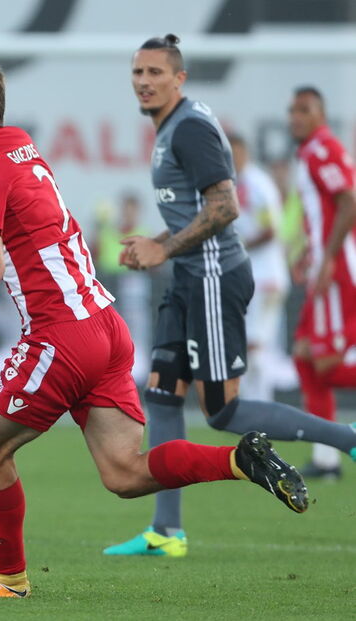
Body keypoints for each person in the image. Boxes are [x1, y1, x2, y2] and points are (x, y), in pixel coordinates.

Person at [0, 55, 308, 599]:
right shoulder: (16, 144)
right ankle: (241, 459)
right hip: (106, 328)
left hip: (60, 334)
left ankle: (7, 577)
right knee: (123, 473)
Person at [104, 35, 356, 559]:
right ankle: (167, 533)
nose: (145, 81)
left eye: (155, 72)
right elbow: (195, 208)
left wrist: (163, 246)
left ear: (179, 78)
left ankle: (345, 437)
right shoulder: (172, 124)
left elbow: (226, 206)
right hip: (187, 277)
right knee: (162, 394)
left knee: (221, 411)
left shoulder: (190, 127)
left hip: (214, 277)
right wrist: (157, 245)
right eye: (138, 73)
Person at [289, 86, 356, 479]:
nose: (295, 116)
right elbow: (327, 212)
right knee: (302, 355)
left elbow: (348, 200)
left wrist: (328, 257)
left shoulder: (322, 148)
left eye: (305, 109)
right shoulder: (308, 152)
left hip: (338, 271)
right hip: (324, 265)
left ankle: (335, 449)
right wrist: (308, 254)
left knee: (326, 365)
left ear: (320, 114)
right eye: (293, 110)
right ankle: (327, 458)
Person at [228, 132, 293, 401]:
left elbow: (270, 230)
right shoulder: (238, 183)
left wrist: (238, 245)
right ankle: (254, 404)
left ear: (244, 151)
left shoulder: (258, 184)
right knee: (249, 344)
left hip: (267, 277)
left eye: (232, 152)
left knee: (256, 345)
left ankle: (261, 405)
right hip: (253, 276)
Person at [93, 191, 152, 382]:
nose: (128, 213)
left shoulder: (144, 234)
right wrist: (99, 226)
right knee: (112, 336)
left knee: (136, 337)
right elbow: (97, 256)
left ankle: (138, 380)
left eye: (132, 210)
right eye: (125, 209)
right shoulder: (108, 232)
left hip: (134, 294)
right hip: (109, 290)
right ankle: (113, 375)